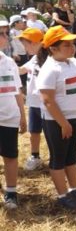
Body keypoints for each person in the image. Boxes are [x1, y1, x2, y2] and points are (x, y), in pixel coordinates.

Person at [36, 25, 76, 210]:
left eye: (72, 43)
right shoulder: (50, 69)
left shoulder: (73, 63)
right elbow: (48, 100)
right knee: (58, 157)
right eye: (66, 45)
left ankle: (74, 189)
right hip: (57, 122)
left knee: (71, 156)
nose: (72, 47)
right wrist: (63, 123)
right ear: (53, 48)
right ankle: (62, 194)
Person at [0, 20, 26, 209]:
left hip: (9, 118)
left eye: (5, 33)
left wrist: (22, 115)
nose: (5, 37)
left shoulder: (9, 62)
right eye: (1, 34)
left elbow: (17, 90)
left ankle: (11, 191)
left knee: (10, 156)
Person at [17, 28, 45, 171]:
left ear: (34, 43)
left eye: (26, 45)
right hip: (34, 102)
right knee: (34, 130)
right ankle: (35, 156)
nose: (24, 48)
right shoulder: (34, 58)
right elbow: (21, 70)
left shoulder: (48, 59)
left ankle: (74, 152)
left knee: (55, 132)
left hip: (47, 103)